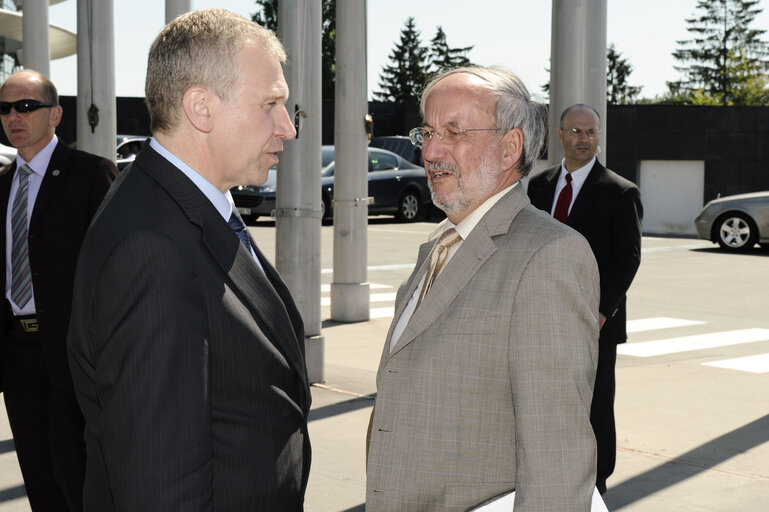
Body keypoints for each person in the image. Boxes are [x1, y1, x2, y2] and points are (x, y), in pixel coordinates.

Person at [66, 9, 311, 511]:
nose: (287, 127)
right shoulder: (151, 247)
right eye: (271, 104)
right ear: (201, 107)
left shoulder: (179, 204)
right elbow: (161, 486)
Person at [366, 66, 601, 511]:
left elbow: (557, 457)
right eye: (428, 132)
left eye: (454, 132)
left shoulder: (548, 256)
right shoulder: (439, 242)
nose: (431, 151)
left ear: (510, 146)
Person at [0, 70, 117, 511]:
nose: (14, 116)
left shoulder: (89, 174)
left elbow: (114, 270)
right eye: (5, 108)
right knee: (40, 483)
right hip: (17, 358)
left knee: (80, 481)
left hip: (73, 358)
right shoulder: (3, 186)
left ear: (56, 114)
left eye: (26, 106)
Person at [527, 104, 643, 494]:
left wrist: (600, 314)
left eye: (591, 132)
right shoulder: (539, 186)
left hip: (595, 322)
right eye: (576, 131)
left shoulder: (620, 191)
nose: (584, 139)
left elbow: (628, 257)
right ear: (559, 135)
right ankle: (549, 469)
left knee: (595, 404)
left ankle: (597, 482)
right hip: (544, 314)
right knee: (544, 396)